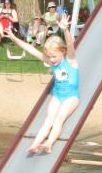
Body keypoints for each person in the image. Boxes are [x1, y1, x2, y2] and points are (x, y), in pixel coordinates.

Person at [5, 14, 79, 154]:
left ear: (62, 52)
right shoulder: (51, 60)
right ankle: (35, 144)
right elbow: (31, 50)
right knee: (48, 120)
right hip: (57, 95)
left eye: (54, 56)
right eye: (49, 56)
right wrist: (14, 38)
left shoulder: (70, 60)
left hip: (71, 97)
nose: (51, 60)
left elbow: (70, 45)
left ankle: (49, 144)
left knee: (59, 118)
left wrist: (65, 30)